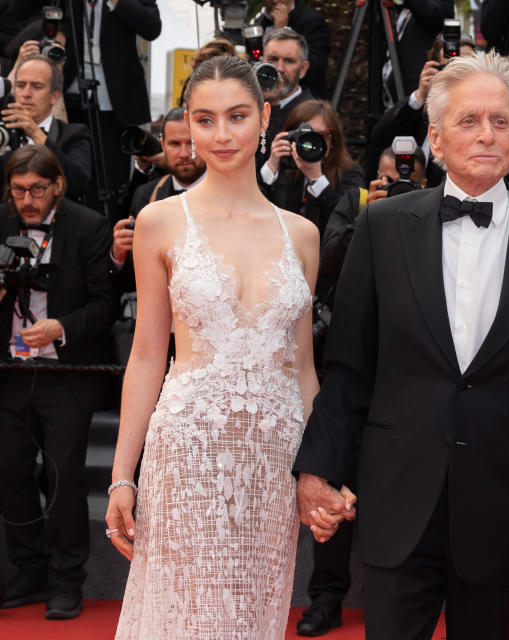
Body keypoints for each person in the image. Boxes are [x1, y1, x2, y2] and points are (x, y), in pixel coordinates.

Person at [293, 52, 509, 640]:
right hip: (399, 497)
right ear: (434, 135)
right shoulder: (382, 228)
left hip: (507, 507)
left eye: (499, 121)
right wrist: (317, 469)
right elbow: (350, 367)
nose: (486, 134)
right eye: (468, 121)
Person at [106, 45, 321, 638]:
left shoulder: (302, 235)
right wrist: (124, 474)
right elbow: (148, 355)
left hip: (272, 462)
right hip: (188, 453)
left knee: (253, 617)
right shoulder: (161, 221)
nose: (222, 134)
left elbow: (302, 368)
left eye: (237, 116)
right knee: (183, 618)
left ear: (265, 120)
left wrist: (320, 470)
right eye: (205, 120)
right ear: (186, 127)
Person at [296, 143, 429, 637]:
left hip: (406, 380)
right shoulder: (354, 204)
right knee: (336, 481)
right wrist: (370, 214)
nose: (397, 181)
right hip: (352, 370)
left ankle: (386, 600)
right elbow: (328, 264)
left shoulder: (435, 213)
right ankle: (327, 596)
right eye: (389, 174)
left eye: (405, 174)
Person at [0, 144, 117, 620]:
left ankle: (67, 578)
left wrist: (60, 328)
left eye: (36, 190)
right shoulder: (2, 222)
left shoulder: (88, 226)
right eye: (18, 190)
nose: (26, 200)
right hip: (10, 370)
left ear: (58, 186)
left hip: (67, 372)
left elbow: (106, 306)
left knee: (64, 477)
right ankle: (28, 569)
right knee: (8, 471)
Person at [62, 0, 162, 215]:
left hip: (115, 102)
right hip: (68, 94)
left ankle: (109, 238)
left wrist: (118, 2)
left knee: (111, 182)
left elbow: (152, 28)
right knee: (71, 173)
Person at [108, 106, 207, 293]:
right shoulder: (145, 195)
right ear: (162, 146)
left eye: (191, 143)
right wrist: (118, 256)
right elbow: (130, 284)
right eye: (175, 144)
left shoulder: (229, 193)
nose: (184, 153)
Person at [369, 37, 475, 187]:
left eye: (466, 69)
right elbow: (379, 136)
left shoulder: (482, 123)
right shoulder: (421, 113)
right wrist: (419, 95)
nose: (459, 78)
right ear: (435, 70)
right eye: (450, 68)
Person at [260, 98, 365, 247]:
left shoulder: (350, 172)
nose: (310, 144)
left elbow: (349, 221)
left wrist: (317, 179)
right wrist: (270, 168)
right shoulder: (286, 169)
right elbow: (254, 210)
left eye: (319, 136)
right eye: (304, 138)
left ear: (333, 140)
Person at [1, 54, 92, 200]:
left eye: (37, 87)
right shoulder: (3, 134)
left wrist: (36, 134)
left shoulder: (75, 134)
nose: (26, 94)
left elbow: (77, 184)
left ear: (55, 96)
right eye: (20, 85)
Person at [256, 29, 315, 171]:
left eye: (289, 61)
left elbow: (280, 165)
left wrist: (274, 105)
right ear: (262, 62)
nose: (279, 68)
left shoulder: (313, 114)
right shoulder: (247, 103)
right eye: (273, 60)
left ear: (303, 69)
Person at [250, 0, 330, 99]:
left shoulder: (313, 20)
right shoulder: (256, 20)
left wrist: (282, 30)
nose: (275, 1)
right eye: (273, 59)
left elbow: (314, 69)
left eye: (289, 61)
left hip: (303, 105)